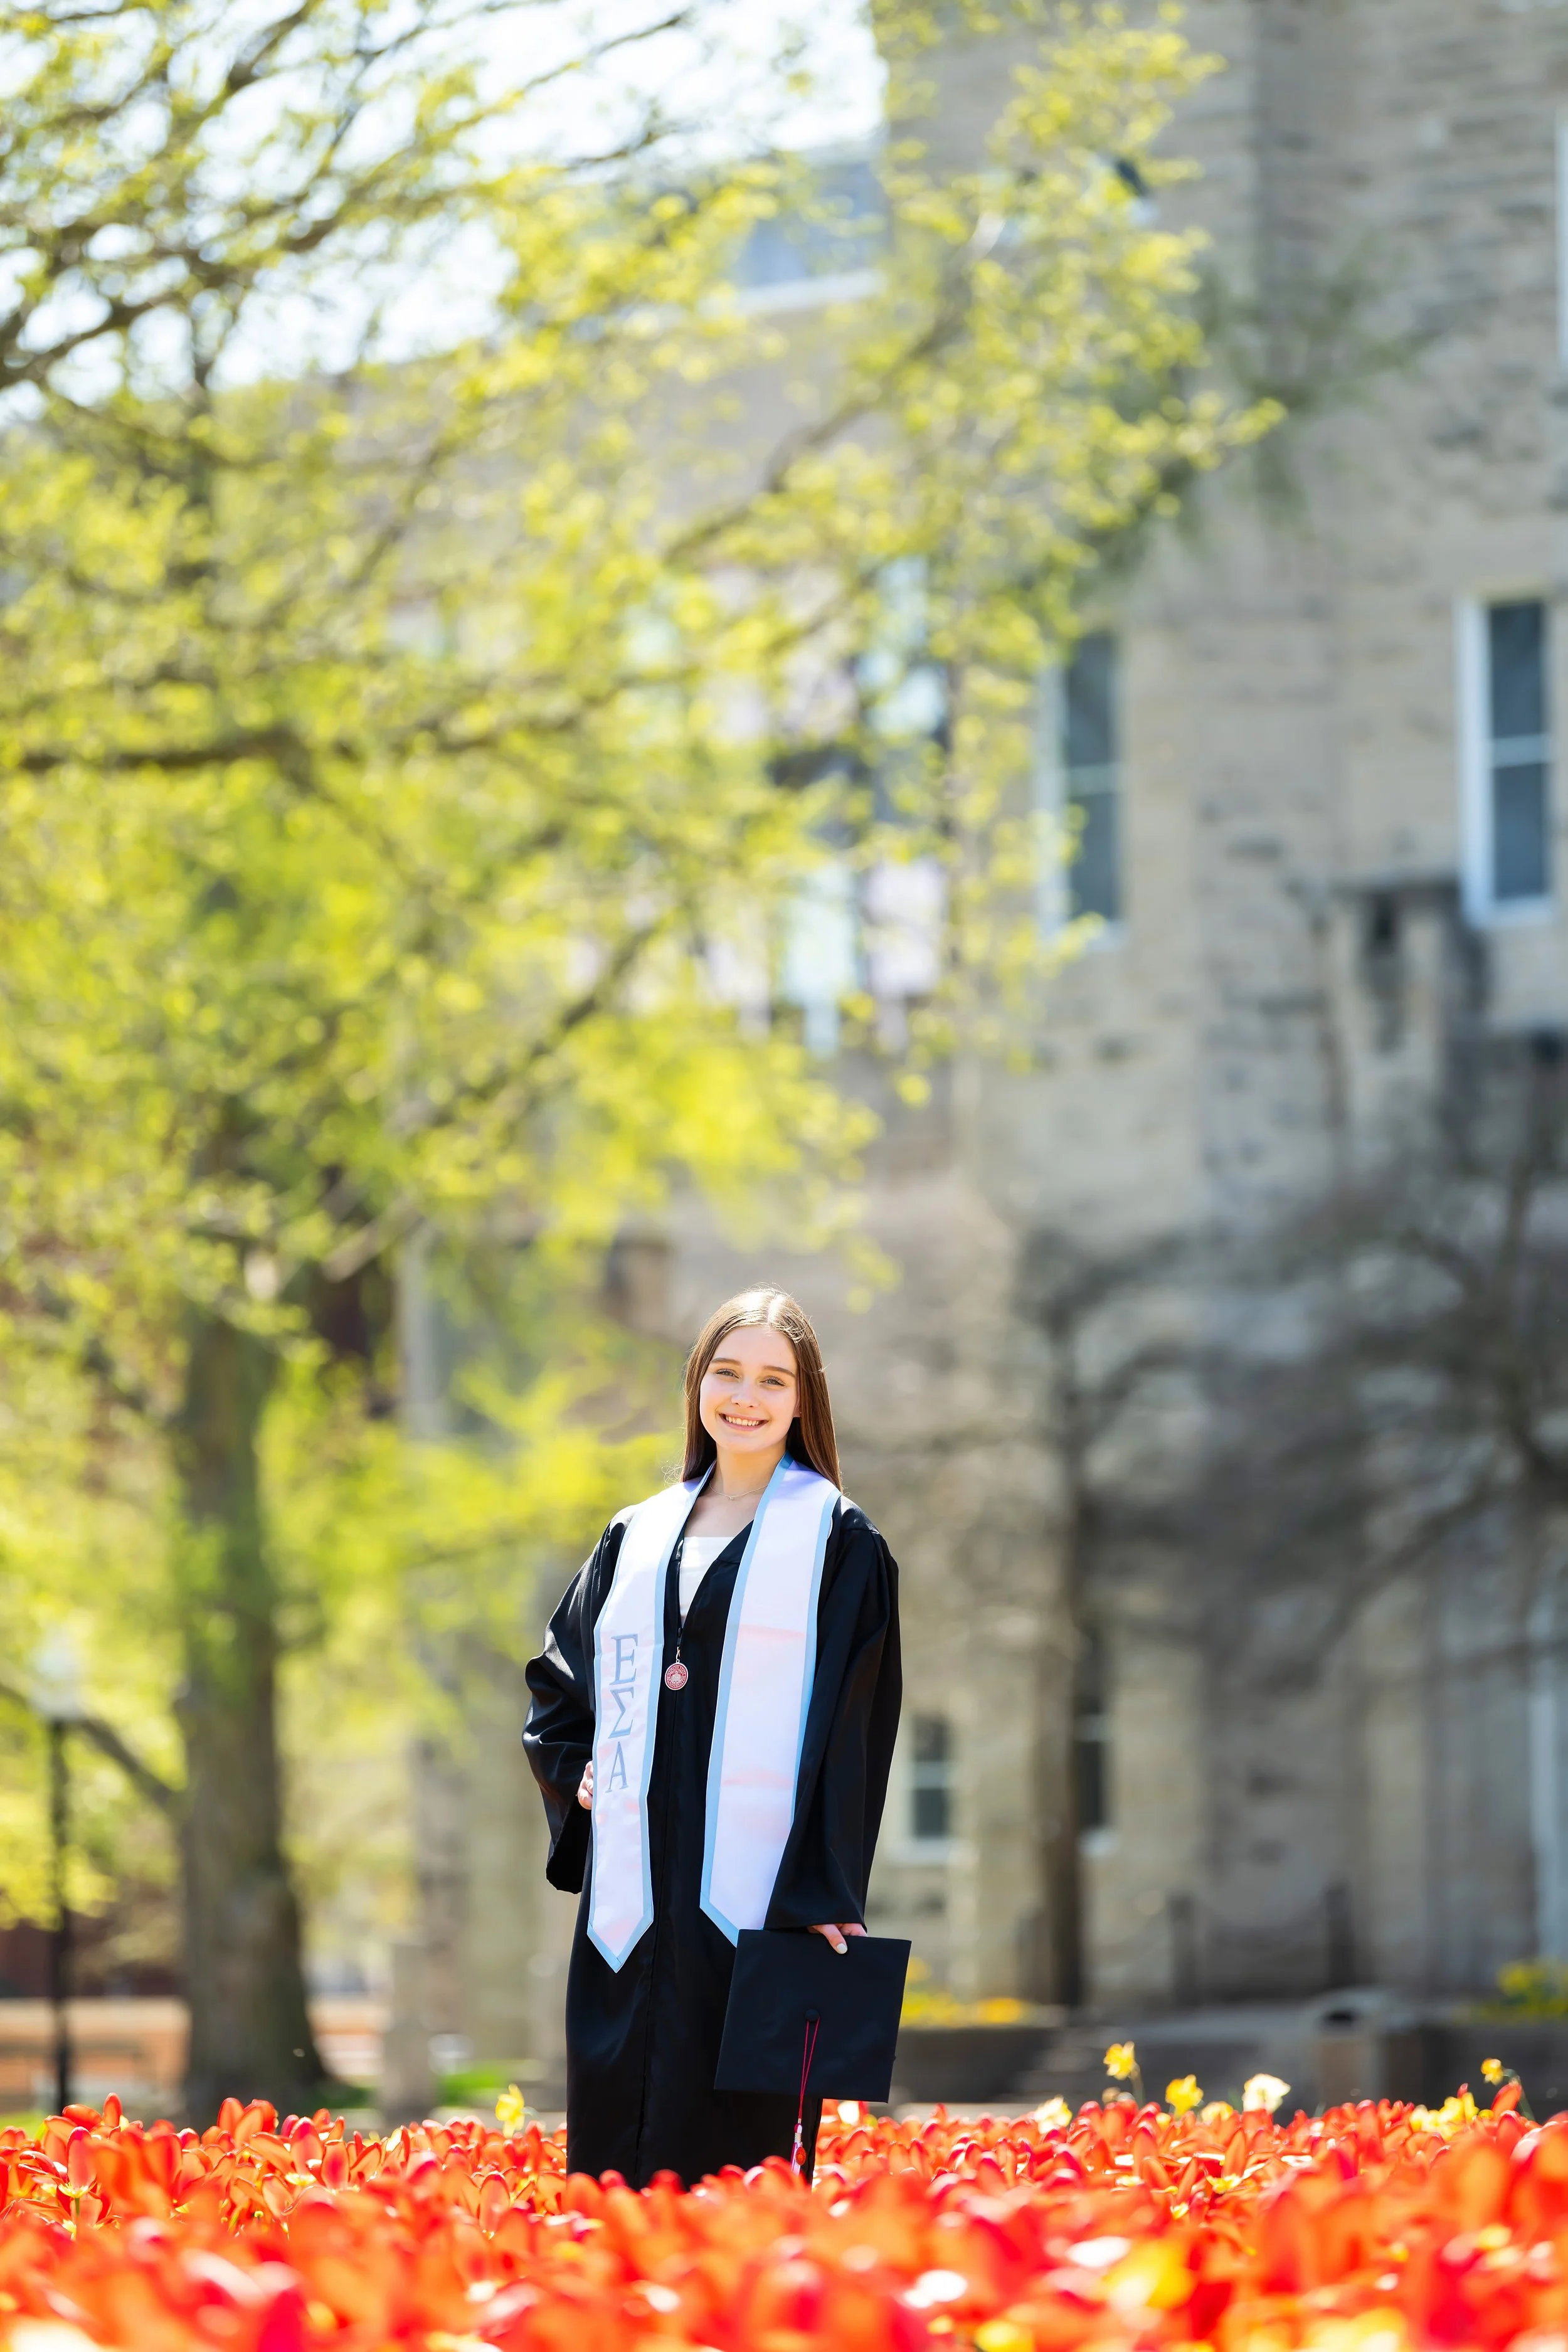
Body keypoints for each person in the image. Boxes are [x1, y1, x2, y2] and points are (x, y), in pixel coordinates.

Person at [522, 1286, 901, 2188]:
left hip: (755, 1910)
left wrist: (825, 1883)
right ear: (698, 1382)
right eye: (727, 1371)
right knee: (615, 2173)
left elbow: (856, 1724)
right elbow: (559, 1686)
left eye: (774, 1378)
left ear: (803, 1399)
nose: (747, 1395)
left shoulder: (838, 1543)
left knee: (734, 2170)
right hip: (632, 1910)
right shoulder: (636, 1534)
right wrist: (576, 1771)